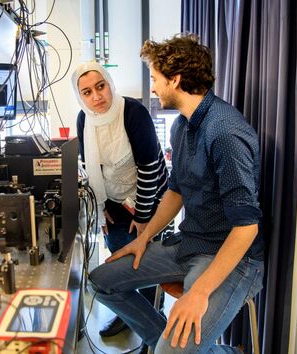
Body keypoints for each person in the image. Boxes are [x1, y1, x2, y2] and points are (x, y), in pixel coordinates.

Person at [88, 34, 265, 353]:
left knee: (171, 350)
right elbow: (175, 190)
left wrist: (200, 293)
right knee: (101, 282)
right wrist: (144, 238)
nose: (153, 87)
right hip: (190, 244)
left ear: (176, 80)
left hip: (232, 259)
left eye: (155, 79)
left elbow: (246, 227)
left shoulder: (224, 131)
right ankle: (167, 347)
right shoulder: (181, 126)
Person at [72, 61, 169, 340]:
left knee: (147, 262)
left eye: (100, 87)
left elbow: (150, 167)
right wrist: (100, 210)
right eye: (87, 92)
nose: (96, 97)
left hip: (150, 196)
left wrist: (143, 216)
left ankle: (154, 319)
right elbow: (88, 165)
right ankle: (131, 315)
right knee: (119, 259)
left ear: (109, 83)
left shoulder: (133, 113)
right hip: (114, 200)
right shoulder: (84, 119)